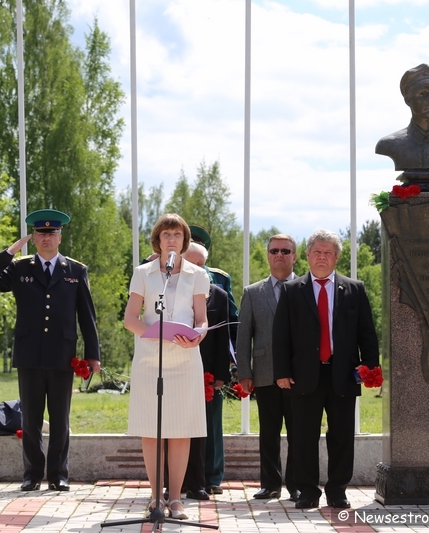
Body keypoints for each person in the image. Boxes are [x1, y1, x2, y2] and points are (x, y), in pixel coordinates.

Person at [0, 209, 100, 492]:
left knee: (60, 419)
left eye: (52, 233)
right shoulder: (20, 268)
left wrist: (92, 354)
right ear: (33, 237)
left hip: (62, 354)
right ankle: (32, 474)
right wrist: (9, 251)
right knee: (31, 419)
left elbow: (87, 315)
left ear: (60, 236)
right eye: (41, 233)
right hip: (30, 353)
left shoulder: (75, 270)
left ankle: (58, 474)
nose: (47, 238)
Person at [272, 230, 379, 509]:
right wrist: (281, 371)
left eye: (327, 252)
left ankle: (337, 491)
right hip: (304, 375)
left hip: (343, 374)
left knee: (342, 435)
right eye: (317, 251)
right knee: (304, 436)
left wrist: (370, 367)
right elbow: (280, 335)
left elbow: (367, 333)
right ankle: (307, 491)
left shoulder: (354, 289)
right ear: (306, 255)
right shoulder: (292, 290)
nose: (321, 257)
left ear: (336, 257)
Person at [125, 214, 210, 520]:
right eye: (166, 234)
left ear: (184, 240)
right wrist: (155, 333)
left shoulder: (197, 275)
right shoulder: (143, 273)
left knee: (180, 430)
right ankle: (154, 498)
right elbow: (130, 319)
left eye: (177, 234)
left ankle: (175, 499)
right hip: (150, 357)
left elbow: (201, 320)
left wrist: (198, 336)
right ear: (157, 240)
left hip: (185, 358)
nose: (171, 239)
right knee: (152, 429)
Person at [236, 233, 299, 502]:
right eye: (274, 251)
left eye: (286, 251)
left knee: (299, 433)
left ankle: (297, 484)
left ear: (295, 256)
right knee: (268, 433)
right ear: (267, 255)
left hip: (300, 375)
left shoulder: (307, 288)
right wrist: (244, 373)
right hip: (263, 373)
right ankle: (270, 484)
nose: (280, 255)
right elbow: (243, 337)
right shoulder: (252, 293)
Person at [181, 242, 231, 502]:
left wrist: (221, 374)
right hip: (176, 369)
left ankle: (203, 481)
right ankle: (175, 481)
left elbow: (223, 338)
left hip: (206, 373)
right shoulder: (172, 292)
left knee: (205, 429)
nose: (197, 270)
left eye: (201, 265)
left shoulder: (218, 295)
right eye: (192, 264)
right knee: (176, 428)